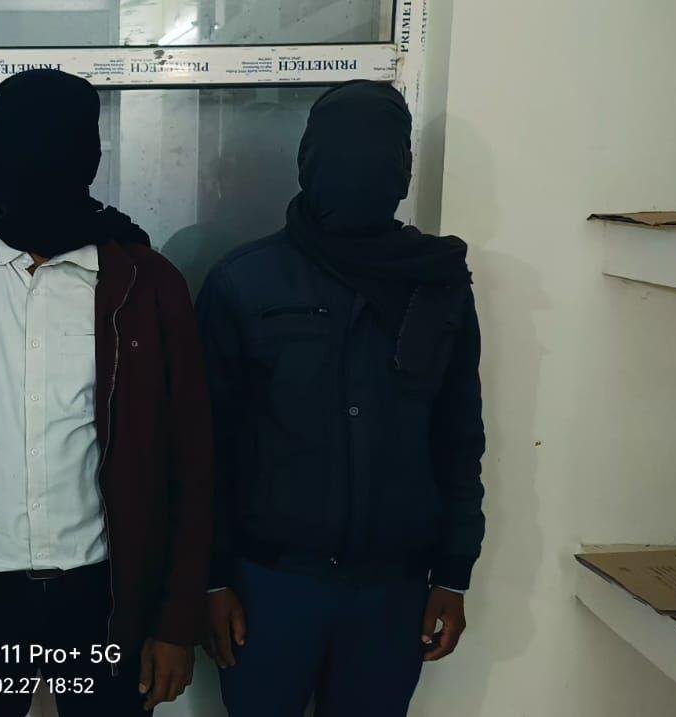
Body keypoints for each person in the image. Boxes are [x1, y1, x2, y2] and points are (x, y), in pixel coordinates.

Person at [0, 68, 214, 716]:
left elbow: (192, 459)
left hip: (106, 598)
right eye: (21, 146)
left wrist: (177, 620)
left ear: (88, 160)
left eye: (57, 147)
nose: (37, 165)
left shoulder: (148, 284)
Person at [198, 80, 486, 716]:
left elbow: (459, 435)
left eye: (381, 154)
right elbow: (206, 446)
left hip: (393, 591)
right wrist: (212, 580)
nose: (362, 168)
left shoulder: (437, 284)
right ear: (308, 161)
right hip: (268, 584)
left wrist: (454, 572)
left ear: (403, 169)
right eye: (343, 152)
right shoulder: (244, 283)